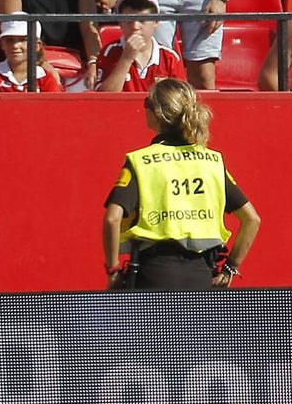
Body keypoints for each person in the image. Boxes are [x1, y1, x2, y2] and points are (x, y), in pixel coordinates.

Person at [102, 78, 260, 289]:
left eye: (146, 104)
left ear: (157, 113)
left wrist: (112, 271)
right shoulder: (212, 161)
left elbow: (112, 219)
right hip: (202, 276)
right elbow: (252, 220)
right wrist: (231, 267)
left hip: (153, 275)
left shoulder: (141, 161)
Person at [95, 0, 184, 92]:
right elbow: (103, 99)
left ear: (156, 22)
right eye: (129, 20)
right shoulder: (109, 52)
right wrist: (126, 59)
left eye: (142, 20)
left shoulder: (169, 58)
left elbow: (180, 101)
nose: (135, 26)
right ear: (120, 22)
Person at [0, 18, 63, 91]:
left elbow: (53, 107)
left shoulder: (46, 78)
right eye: (10, 40)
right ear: (2, 44)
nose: (15, 45)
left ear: (36, 45)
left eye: (23, 40)